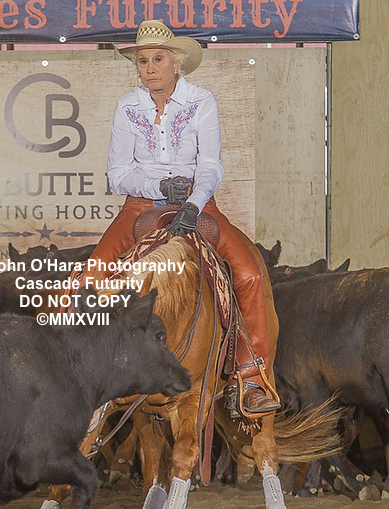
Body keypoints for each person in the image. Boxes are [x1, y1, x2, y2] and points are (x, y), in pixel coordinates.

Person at [80, 20, 280, 416]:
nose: (150, 68)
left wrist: (194, 201)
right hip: (140, 204)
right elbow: (117, 174)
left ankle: (251, 378)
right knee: (89, 276)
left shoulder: (201, 101)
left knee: (249, 274)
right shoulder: (127, 106)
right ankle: (81, 375)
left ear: (177, 63)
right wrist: (157, 187)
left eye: (158, 59)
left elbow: (210, 163)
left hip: (197, 202)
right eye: (143, 61)